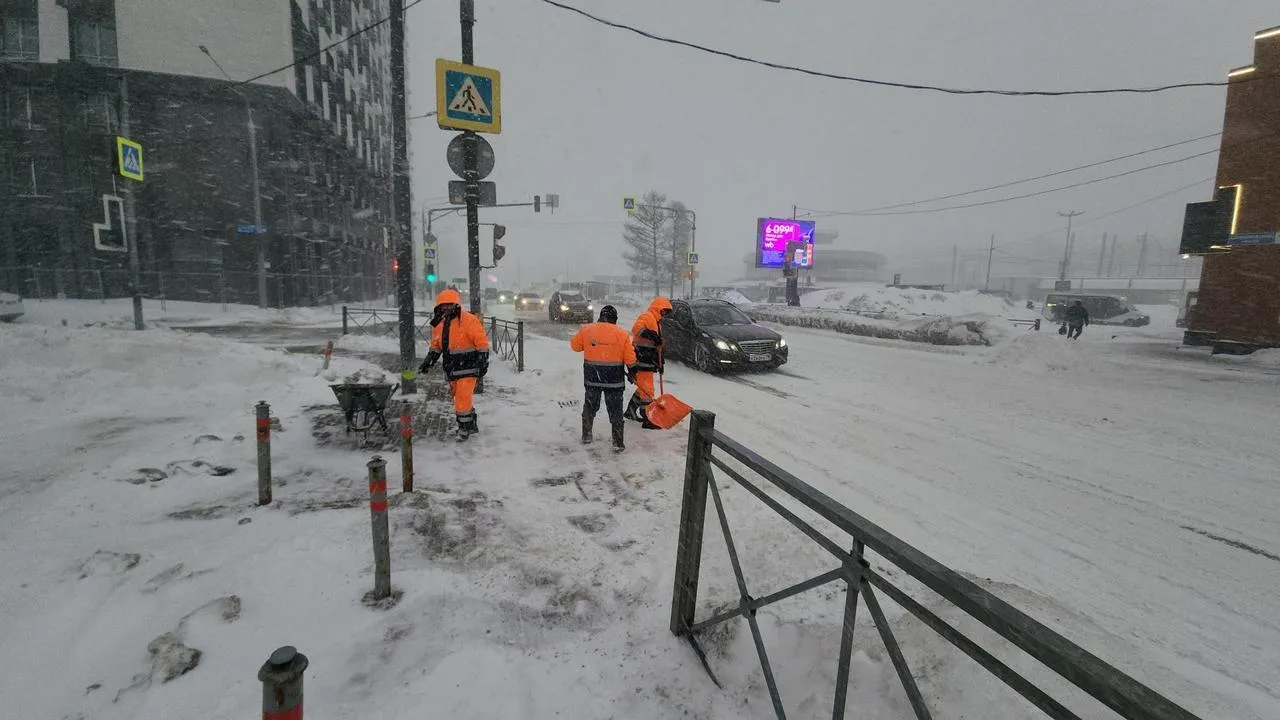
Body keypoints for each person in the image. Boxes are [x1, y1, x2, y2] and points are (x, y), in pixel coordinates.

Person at [419, 288, 489, 440]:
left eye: (450, 305)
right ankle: (470, 424)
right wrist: (429, 360)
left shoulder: (469, 320)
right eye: (443, 306)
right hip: (452, 369)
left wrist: (483, 361)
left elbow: (482, 342)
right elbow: (436, 345)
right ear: (439, 307)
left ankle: (464, 429)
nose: (446, 308)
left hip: (469, 367)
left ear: (456, 305)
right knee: (459, 398)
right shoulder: (439, 323)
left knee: (462, 400)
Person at [570, 305, 637, 451]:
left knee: (590, 405)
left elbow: (575, 346)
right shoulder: (622, 334)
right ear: (615, 319)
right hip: (614, 380)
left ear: (600, 317)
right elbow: (630, 359)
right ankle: (617, 442)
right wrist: (632, 372)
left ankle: (587, 434)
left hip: (592, 377)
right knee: (615, 410)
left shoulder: (587, 330)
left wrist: (584, 336)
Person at [626, 296, 673, 428]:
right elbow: (636, 328)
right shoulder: (647, 316)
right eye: (664, 311)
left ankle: (630, 411)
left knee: (643, 388)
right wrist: (651, 335)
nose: (665, 314)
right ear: (659, 308)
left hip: (648, 358)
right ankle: (648, 418)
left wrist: (660, 362)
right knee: (647, 390)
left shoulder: (657, 321)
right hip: (641, 356)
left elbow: (657, 345)